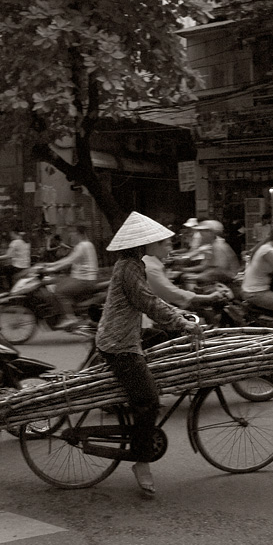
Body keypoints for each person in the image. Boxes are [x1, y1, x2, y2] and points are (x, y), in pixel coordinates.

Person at [95, 212, 202, 497]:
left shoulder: (133, 264)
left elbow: (152, 301)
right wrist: (182, 322)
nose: (169, 248)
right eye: (166, 243)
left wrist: (179, 317)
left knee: (164, 341)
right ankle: (141, 462)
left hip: (125, 336)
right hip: (120, 345)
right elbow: (148, 302)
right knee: (148, 401)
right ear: (149, 243)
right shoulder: (130, 267)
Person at [142, 235, 225, 312]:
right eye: (167, 245)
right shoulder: (151, 267)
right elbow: (170, 292)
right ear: (154, 246)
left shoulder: (152, 263)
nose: (170, 249)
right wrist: (208, 297)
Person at [45, 225, 99, 329]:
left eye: (72, 233)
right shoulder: (88, 244)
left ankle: (70, 317)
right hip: (85, 278)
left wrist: (51, 268)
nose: (71, 235)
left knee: (59, 291)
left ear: (79, 233)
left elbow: (69, 261)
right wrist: (52, 265)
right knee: (59, 281)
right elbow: (69, 259)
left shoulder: (82, 246)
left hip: (83, 280)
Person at [181, 219, 240, 284]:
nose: (200, 234)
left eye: (203, 231)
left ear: (212, 233)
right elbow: (205, 266)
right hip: (217, 278)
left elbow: (219, 270)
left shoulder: (218, 246)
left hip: (227, 282)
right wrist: (185, 270)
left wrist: (197, 276)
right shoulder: (211, 245)